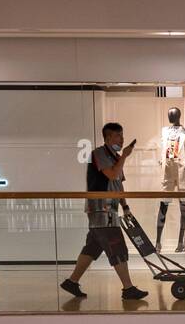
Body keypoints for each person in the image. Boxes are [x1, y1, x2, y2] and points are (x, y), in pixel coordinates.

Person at [60, 122, 149, 307]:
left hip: (110, 208)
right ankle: (128, 288)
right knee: (117, 247)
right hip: (101, 209)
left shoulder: (115, 156)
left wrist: (125, 206)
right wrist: (124, 156)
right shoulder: (99, 154)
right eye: (118, 136)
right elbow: (112, 175)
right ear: (108, 138)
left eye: (122, 136)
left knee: (92, 247)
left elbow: (119, 184)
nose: (121, 140)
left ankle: (71, 282)